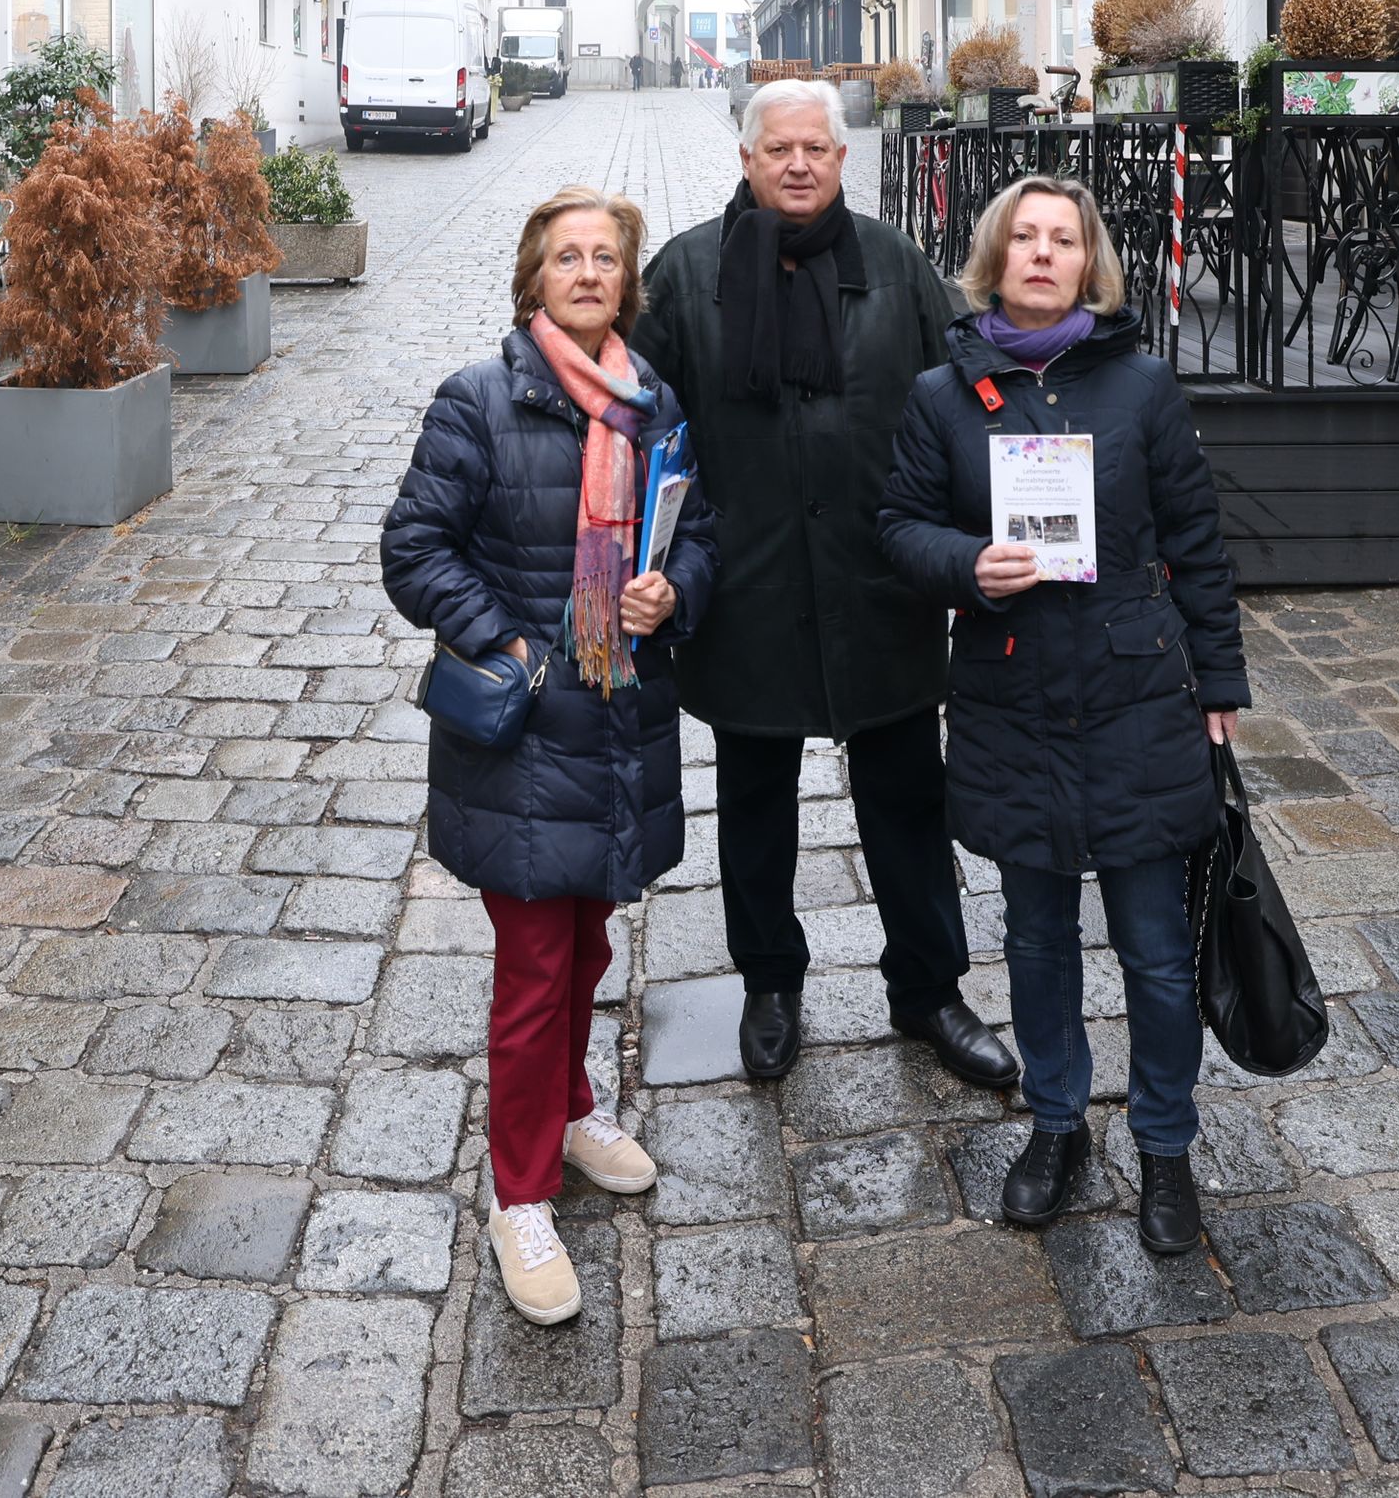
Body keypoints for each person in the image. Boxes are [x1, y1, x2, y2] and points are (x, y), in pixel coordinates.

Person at [878, 174, 1247, 1258]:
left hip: (1137, 691)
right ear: (993, 257)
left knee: (1151, 950)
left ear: (1090, 262)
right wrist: (966, 564)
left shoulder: (1141, 386)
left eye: (1065, 239)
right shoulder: (941, 396)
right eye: (1024, 237)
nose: (1043, 254)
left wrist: (1219, 685)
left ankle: (1165, 1145)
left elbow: (1199, 540)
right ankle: (1054, 1124)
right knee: (1035, 942)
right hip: (1010, 693)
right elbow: (897, 527)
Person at [634, 77, 1016, 1092]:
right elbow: (638, 435)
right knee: (754, 800)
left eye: (816, 148)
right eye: (779, 149)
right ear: (748, 160)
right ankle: (769, 981)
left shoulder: (892, 267)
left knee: (904, 796)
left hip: (876, 583)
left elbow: (970, 399)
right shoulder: (686, 275)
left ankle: (929, 989)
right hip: (746, 585)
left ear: (843, 160)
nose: (798, 164)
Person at [380, 186, 716, 1326]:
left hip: (620, 720)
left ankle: (571, 1112)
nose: (585, 273)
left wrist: (677, 589)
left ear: (625, 283)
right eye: (565, 258)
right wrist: (511, 638)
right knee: (532, 970)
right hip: (528, 731)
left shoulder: (652, 403)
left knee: (586, 946)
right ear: (534, 280)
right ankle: (517, 1191)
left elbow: (699, 532)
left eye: (603, 259)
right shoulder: (478, 401)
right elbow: (412, 549)